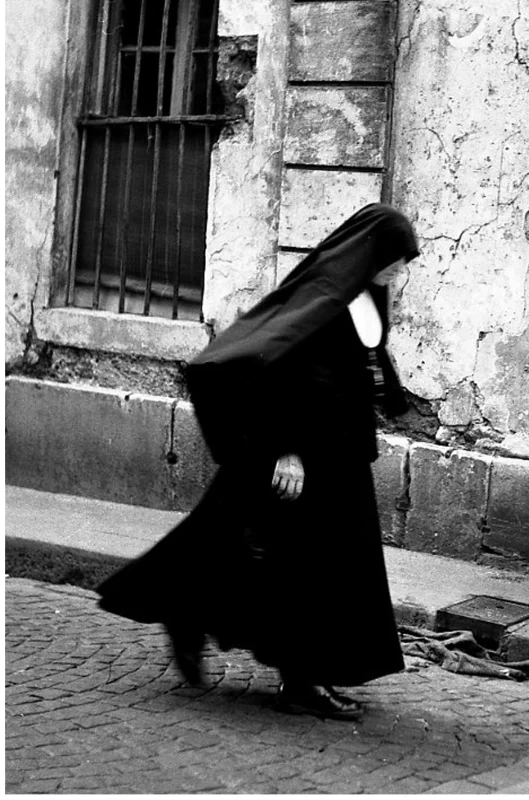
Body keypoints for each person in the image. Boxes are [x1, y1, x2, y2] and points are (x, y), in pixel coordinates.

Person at [97, 203, 419, 720]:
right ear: (372, 251)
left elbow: (357, 365)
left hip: (342, 453)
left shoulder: (366, 296)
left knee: (298, 562)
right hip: (305, 455)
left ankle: (195, 615)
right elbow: (280, 370)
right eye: (397, 259)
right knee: (307, 570)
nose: (400, 270)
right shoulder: (323, 296)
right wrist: (285, 449)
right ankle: (300, 681)